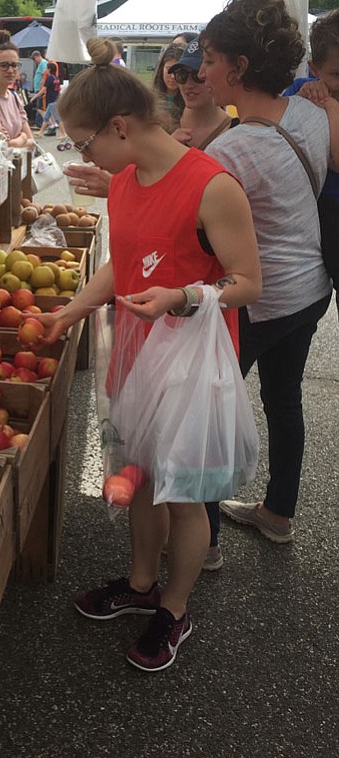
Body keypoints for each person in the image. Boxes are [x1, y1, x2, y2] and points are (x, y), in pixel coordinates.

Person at [34, 36, 261, 671]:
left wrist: (182, 296)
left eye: (83, 143)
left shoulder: (212, 185)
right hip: (135, 353)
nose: (84, 156)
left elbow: (247, 282)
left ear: (120, 125)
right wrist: (75, 308)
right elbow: (123, 262)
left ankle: (176, 608)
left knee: (183, 492)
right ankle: (139, 587)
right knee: (139, 478)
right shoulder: (128, 180)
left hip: (188, 361)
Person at [198, 0, 335, 546]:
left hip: (257, 300)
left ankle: (200, 540)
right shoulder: (310, 111)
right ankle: (278, 513)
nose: (203, 71)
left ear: (240, 66)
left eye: (210, 59)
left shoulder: (237, 148)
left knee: (207, 416)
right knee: (285, 399)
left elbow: (191, 215)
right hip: (311, 290)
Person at [281, 9, 339, 318]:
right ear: (315, 68)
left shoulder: (323, 99)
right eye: (337, 74)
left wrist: (329, 105)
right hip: (309, 213)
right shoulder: (297, 92)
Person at [168, 39, 234, 151]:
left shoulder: (234, 132)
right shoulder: (163, 123)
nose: (188, 84)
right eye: (182, 75)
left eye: (197, 76)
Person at [152, 44, 185, 130]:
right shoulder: (150, 98)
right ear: (161, 69)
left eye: (178, 71)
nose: (173, 76)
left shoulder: (189, 101)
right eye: (169, 69)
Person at [34, 62, 67, 140]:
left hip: (52, 101)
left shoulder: (49, 78)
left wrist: (35, 97)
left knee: (57, 118)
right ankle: (40, 132)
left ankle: (63, 134)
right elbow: (59, 90)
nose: (45, 70)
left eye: (46, 68)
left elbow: (43, 89)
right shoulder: (56, 78)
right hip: (54, 100)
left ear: (49, 69)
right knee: (46, 117)